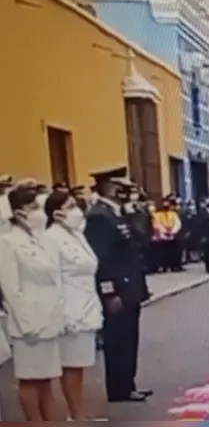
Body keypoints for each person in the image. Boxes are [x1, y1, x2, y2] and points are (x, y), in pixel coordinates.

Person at [85, 168, 152, 403]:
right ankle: (118, 389)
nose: (124, 192)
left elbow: (142, 239)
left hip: (130, 287)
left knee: (129, 338)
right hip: (117, 290)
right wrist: (109, 292)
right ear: (110, 187)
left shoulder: (117, 213)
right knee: (117, 340)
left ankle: (128, 384)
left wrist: (135, 214)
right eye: (119, 187)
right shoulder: (98, 216)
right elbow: (102, 259)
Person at [0, 183, 64, 420]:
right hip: (29, 319)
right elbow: (11, 288)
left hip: (49, 316)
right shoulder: (8, 242)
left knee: (47, 379)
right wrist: (26, 324)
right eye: (33, 206)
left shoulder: (41, 239)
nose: (39, 211)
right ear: (18, 212)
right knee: (30, 380)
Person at [43, 191, 103, 420]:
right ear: (56, 213)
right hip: (69, 309)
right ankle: (75, 415)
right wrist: (60, 312)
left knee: (80, 365)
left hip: (86, 304)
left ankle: (80, 413)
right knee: (71, 366)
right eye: (70, 206)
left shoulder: (77, 234)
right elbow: (53, 277)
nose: (76, 210)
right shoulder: (51, 237)